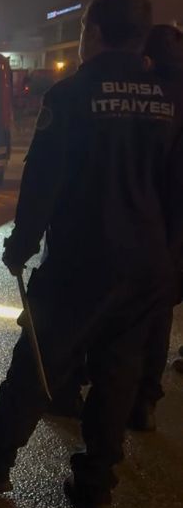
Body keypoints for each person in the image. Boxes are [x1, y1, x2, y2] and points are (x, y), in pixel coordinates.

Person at [0, 0, 183, 508]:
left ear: (91, 32)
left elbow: (43, 182)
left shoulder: (71, 95)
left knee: (36, 364)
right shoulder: (171, 100)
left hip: (81, 264)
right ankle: (96, 485)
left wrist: (20, 247)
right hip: (147, 266)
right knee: (119, 373)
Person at [46, 23, 183, 429]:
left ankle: (68, 396)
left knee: (78, 327)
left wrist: (26, 240)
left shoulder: (91, 94)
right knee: (143, 337)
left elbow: (54, 177)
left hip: (106, 241)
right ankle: (135, 412)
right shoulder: (169, 104)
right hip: (159, 248)